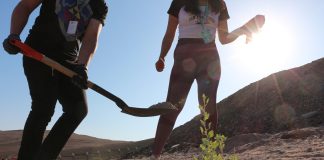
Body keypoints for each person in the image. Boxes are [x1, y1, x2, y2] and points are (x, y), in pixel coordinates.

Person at [2, 0, 108, 159]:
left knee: (77, 110)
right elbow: (25, 6)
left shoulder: (99, 5)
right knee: (43, 108)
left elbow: (92, 37)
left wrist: (82, 66)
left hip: (69, 64)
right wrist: (14, 34)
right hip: (38, 52)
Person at [152, 0, 252, 158]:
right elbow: (170, 32)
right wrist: (162, 56)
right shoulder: (179, 2)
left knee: (208, 107)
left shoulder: (220, 4)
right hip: (184, 56)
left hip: (210, 58)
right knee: (172, 106)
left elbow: (224, 38)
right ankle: (155, 155)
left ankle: (211, 154)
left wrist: (244, 29)